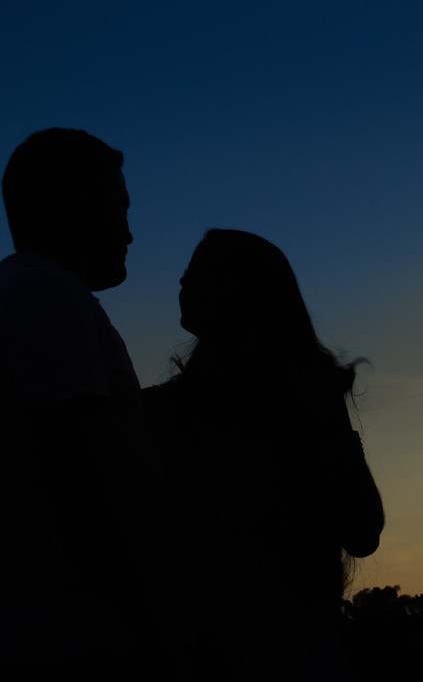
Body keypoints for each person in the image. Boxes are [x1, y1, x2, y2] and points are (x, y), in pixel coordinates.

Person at [0, 128, 168, 676]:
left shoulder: (31, 297)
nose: (130, 233)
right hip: (67, 647)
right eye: (118, 209)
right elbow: (78, 479)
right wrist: (150, 627)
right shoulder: (49, 301)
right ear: (74, 208)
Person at [144, 228, 384, 681]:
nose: (181, 284)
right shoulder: (310, 393)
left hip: (265, 648)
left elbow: (361, 527)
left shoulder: (162, 413)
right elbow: (363, 529)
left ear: (239, 290)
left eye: (196, 275)